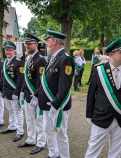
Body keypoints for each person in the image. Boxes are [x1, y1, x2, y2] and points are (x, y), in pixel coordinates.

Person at [85, 37, 121, 158]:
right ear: (111, 54)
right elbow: (91, 95)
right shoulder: (98, 70)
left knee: (116, 152)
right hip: (101, 117)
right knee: (93, 150)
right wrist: (89, 115)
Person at [36, 29, 74, 158]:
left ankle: (64, 156)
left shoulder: (65, 59)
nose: (46, 43)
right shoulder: (53, 58)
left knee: (59, 133)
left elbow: (65, 85)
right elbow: (46, 81)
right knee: (49, 130)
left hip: (58, 105)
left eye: (47, 41)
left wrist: (56, 103)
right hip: (48, 104)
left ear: (54, 41)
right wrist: (37, 95)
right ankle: (53, 154)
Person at [17, 33, 47, 154]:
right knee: (29, 119)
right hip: (28, 95)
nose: (27, 46)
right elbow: (26, 77)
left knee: (38, 120)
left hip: (36, 96)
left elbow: (41, 81)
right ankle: (30, 139)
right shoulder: (29, 58)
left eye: (30, 44)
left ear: (36, 45)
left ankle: (41, 142)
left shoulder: (40, 60)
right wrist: (23, 91)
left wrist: (36, 94)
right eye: (26, 44)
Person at [0, 41, 25, 142]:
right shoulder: (5, 62)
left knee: (18, 112)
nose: (8, 52)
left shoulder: (19, 62)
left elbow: (20, 79)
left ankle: (20, 131)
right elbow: (2, 78)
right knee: (10, 110)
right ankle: (12, 126)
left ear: (14, 51)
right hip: (5, 92)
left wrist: (16, 93)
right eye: (6, 50)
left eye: (10, 50)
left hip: (14, 93)